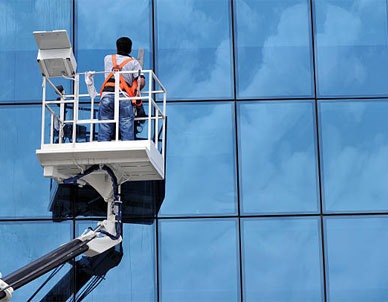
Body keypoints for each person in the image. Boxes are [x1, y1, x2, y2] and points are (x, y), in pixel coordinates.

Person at [98, 37, 145, 141]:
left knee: (105, 126)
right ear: (130, 49)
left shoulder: (107, 58)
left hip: (107, 96)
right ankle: (128, 148)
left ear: (117, 48)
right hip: (123, 97)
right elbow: (141, 82)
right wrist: (136, 91)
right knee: (126, 124)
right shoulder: (133, 62)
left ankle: (103, 147)